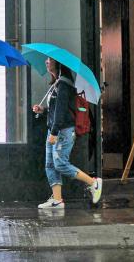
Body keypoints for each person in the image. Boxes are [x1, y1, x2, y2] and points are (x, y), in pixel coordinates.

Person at [32, 57, 102, 209]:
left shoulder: (64, 84)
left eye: (49, 60)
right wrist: (42, 110)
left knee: (60, 164)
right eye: (46, 59)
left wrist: (54, 132)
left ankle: (93, 182)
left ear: (58, 63)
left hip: (62, 131)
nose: (46, 62)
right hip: (53, 129)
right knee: (50, 165)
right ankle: (57, 200)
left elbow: (62, 112)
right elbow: (55, 110)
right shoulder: (56, 84)